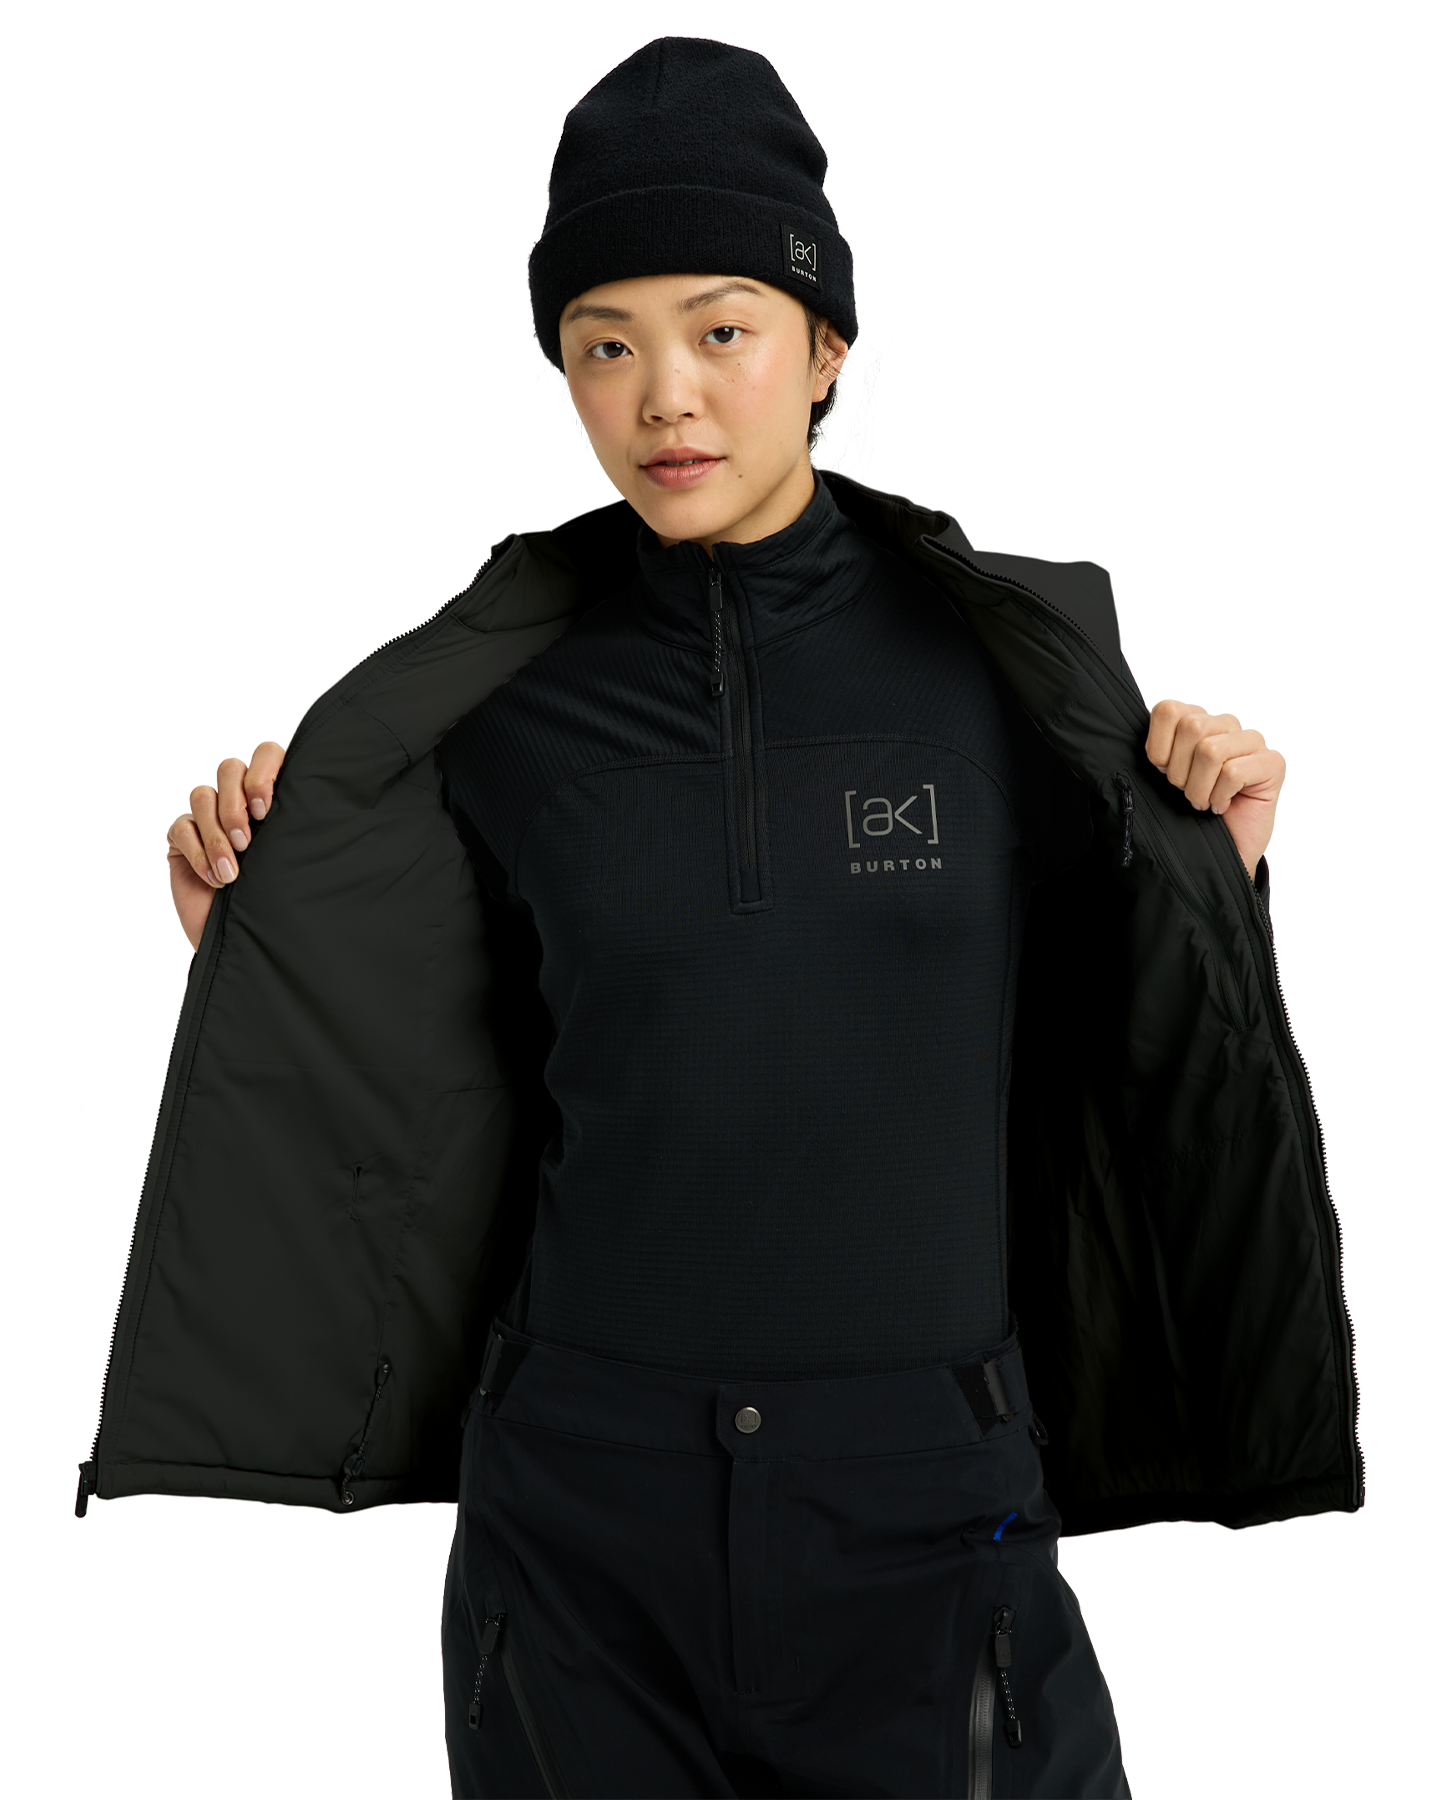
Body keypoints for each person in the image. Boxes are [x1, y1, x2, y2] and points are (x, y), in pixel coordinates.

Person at [92, 37, 1356, 1800]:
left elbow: (1116, 1050)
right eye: (604, 344)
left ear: (825, 347)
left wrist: (1228, 866)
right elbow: (432, 1075)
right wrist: (252, 925)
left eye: (720, 330)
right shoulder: (485, 705)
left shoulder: (1012, 675)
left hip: (935, 1501)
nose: (664, 396)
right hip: (578, 1515)